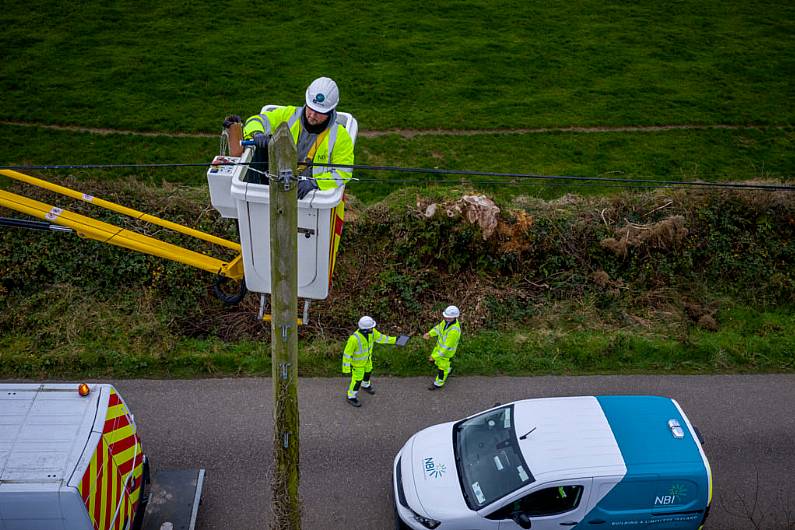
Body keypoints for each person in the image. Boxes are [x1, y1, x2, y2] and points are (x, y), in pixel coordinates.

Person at [224, 77, 354, 198]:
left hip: (311, 195)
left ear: (331, 111)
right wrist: (257, 133)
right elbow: (257, 120)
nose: (312, 115)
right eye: (310, 108)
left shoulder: (340, 136)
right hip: (276, 180)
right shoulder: (288, 115)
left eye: (319, 113)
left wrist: (315, 183)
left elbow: (343, 171)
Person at [342, 316, 397, 407]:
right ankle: (351, 396)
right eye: (371, 327)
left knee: (368, 371)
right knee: (357, 380)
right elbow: (347, 354)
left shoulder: (372, 333)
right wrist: (346, 368)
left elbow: (382, 338)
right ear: (366, 329)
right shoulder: (354, 339)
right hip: (357, 364)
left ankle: (365, 385)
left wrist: (395, 340)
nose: (373, 328)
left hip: (367, 360)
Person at [424, 305, 461, 390]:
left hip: (445, 354)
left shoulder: (454, 331)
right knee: (438, 362)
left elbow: (446, 347)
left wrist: (434, 356)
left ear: (455, 317)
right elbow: (438, 328)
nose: (446, 318)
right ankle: (447, 369)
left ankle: (438, 383)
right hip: (439, 348)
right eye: (445, 317)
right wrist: (430, 334)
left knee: (441, 369)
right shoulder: (446, 322)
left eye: (448, 318)